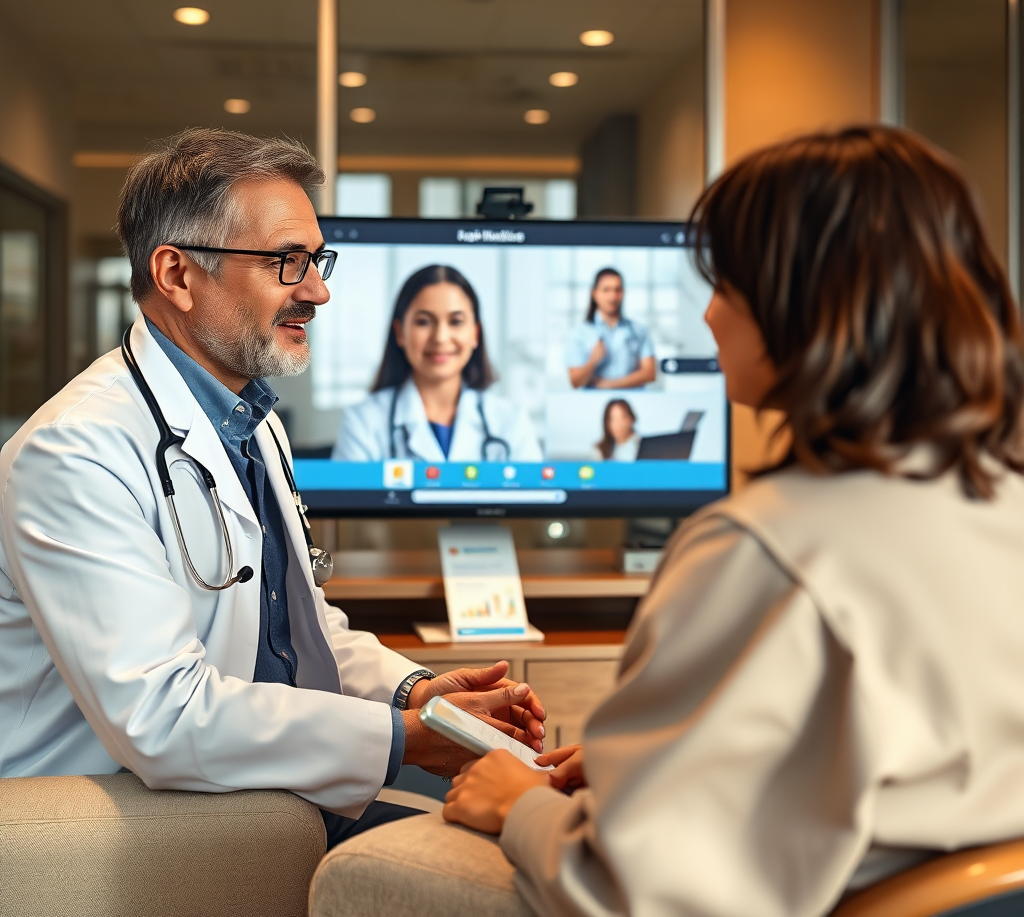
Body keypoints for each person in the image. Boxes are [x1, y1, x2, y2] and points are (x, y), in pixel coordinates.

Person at [340, 126, 1024, 915]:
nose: (706, 318)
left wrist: (517, 802)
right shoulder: (1000, 503)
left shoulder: (757, 549)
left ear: (802, 306)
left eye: (726, 285)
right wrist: (654, 764)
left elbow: (636, 889)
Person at [0, 129, 547, 849]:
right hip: (109, 824)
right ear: (177, 275)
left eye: (317, 261)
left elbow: (298, 630)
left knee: (501, 846)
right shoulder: (74, 451)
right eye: (287, 262)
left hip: (244, 787)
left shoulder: (248, 421)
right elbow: (162, 717)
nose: (317, 291)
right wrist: (401, 739)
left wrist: (416, 695)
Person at [333, 264, 542, 462]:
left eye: (456, 322)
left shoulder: (511, 421)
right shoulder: (362, 422)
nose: (440, 337)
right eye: (423, 322)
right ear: (400, 332)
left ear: (475, 334)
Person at [564, 268, 656, 390]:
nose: (612, 296)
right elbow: (575, 382)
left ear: (623, 293)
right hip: (592, 403)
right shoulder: (578, 333)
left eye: (617, 290)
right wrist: (593, 360)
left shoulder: (639, 330)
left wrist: (609, 385)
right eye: (606, 290)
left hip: (631, 402)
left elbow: (650, 373)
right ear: (594, 293)